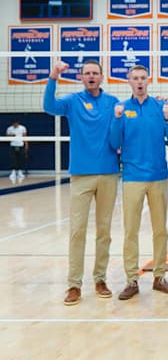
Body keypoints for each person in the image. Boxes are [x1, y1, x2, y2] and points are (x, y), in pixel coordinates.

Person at [44, 60, 119, 306]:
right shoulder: (72, 101)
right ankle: (74, 284)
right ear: (81, 77)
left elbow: (126, 125)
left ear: (101, 77)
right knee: (77, 231)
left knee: (104, 231)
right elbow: (49, 106)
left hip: (108, 174)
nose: (91, 76)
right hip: (81, 175)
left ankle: (100, 279)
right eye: (87, 73)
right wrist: (53, 77)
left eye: (95, 73)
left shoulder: (112, 103)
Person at [109, 65, 168, 300]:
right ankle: (131, 280)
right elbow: (114, 141)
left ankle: (159, 277)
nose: (139, 82)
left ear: (148, 81)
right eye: (135, 78)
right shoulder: (121, 109)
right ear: (129, 81)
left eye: (142, 78)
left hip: (158, 176)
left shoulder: (160, 107)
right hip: (131, 177)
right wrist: (117, 119)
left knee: (160, 230)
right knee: (131, 231)